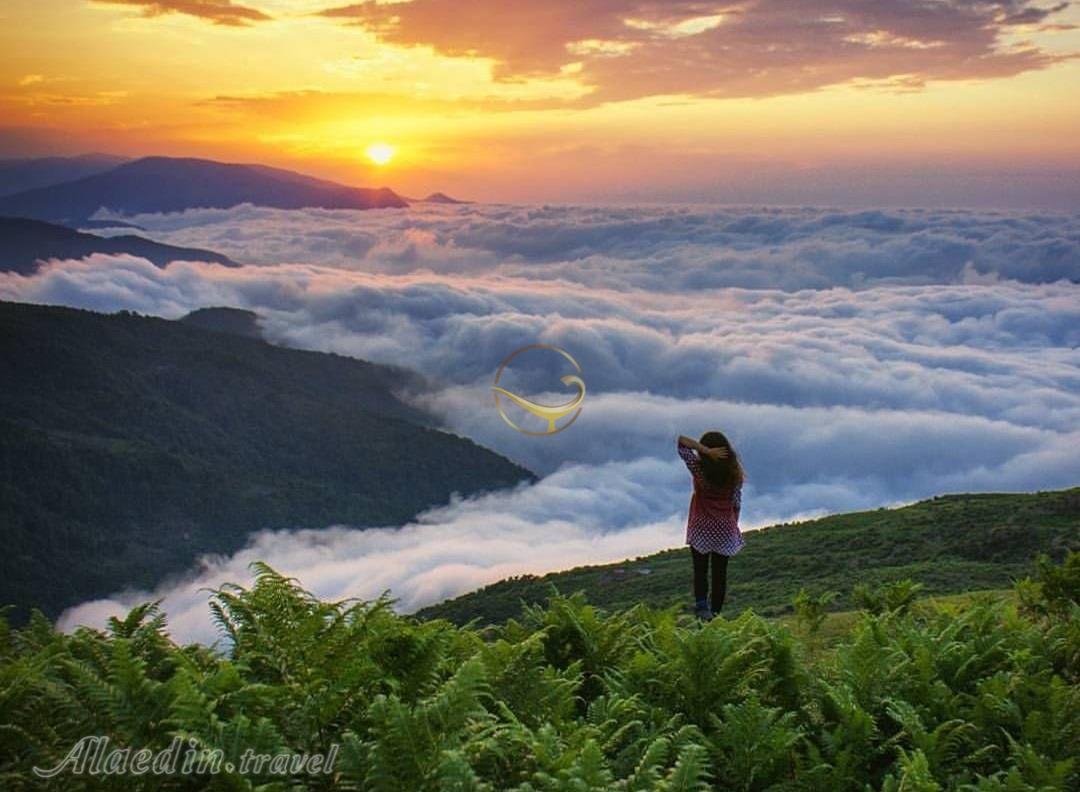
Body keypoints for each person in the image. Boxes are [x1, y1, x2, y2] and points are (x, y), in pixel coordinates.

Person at [677, 432, 745, 620]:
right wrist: (733, 525)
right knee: (719, 573)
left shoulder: (699, 470)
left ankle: (701, 608)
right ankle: (715, 614)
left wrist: (705, 450)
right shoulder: (734, 475)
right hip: (725, 528)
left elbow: (681, 442)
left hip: (701, 527)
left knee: (700, 569)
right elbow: (736, 503)